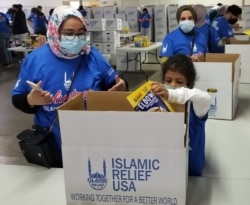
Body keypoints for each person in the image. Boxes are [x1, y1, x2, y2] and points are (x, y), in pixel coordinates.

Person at [11, 5, 127, 167]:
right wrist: (31, 100)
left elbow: (115, 84)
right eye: (69, 34)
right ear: (55, 30)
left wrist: (121, 88)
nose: (76, 38)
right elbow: (17, 98)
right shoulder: (35, 60)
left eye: (81, 33)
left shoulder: (91, 56)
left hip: (93, 141)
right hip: (54, 144)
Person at [151, 54, 211, 176]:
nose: (172, 85)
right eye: (168, 80)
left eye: (179, 81)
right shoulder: (157, 103)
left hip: (190, 169)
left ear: (189, 84)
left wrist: (173, 95)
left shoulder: (196, 105)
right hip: (165, 168)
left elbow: (206, 98)